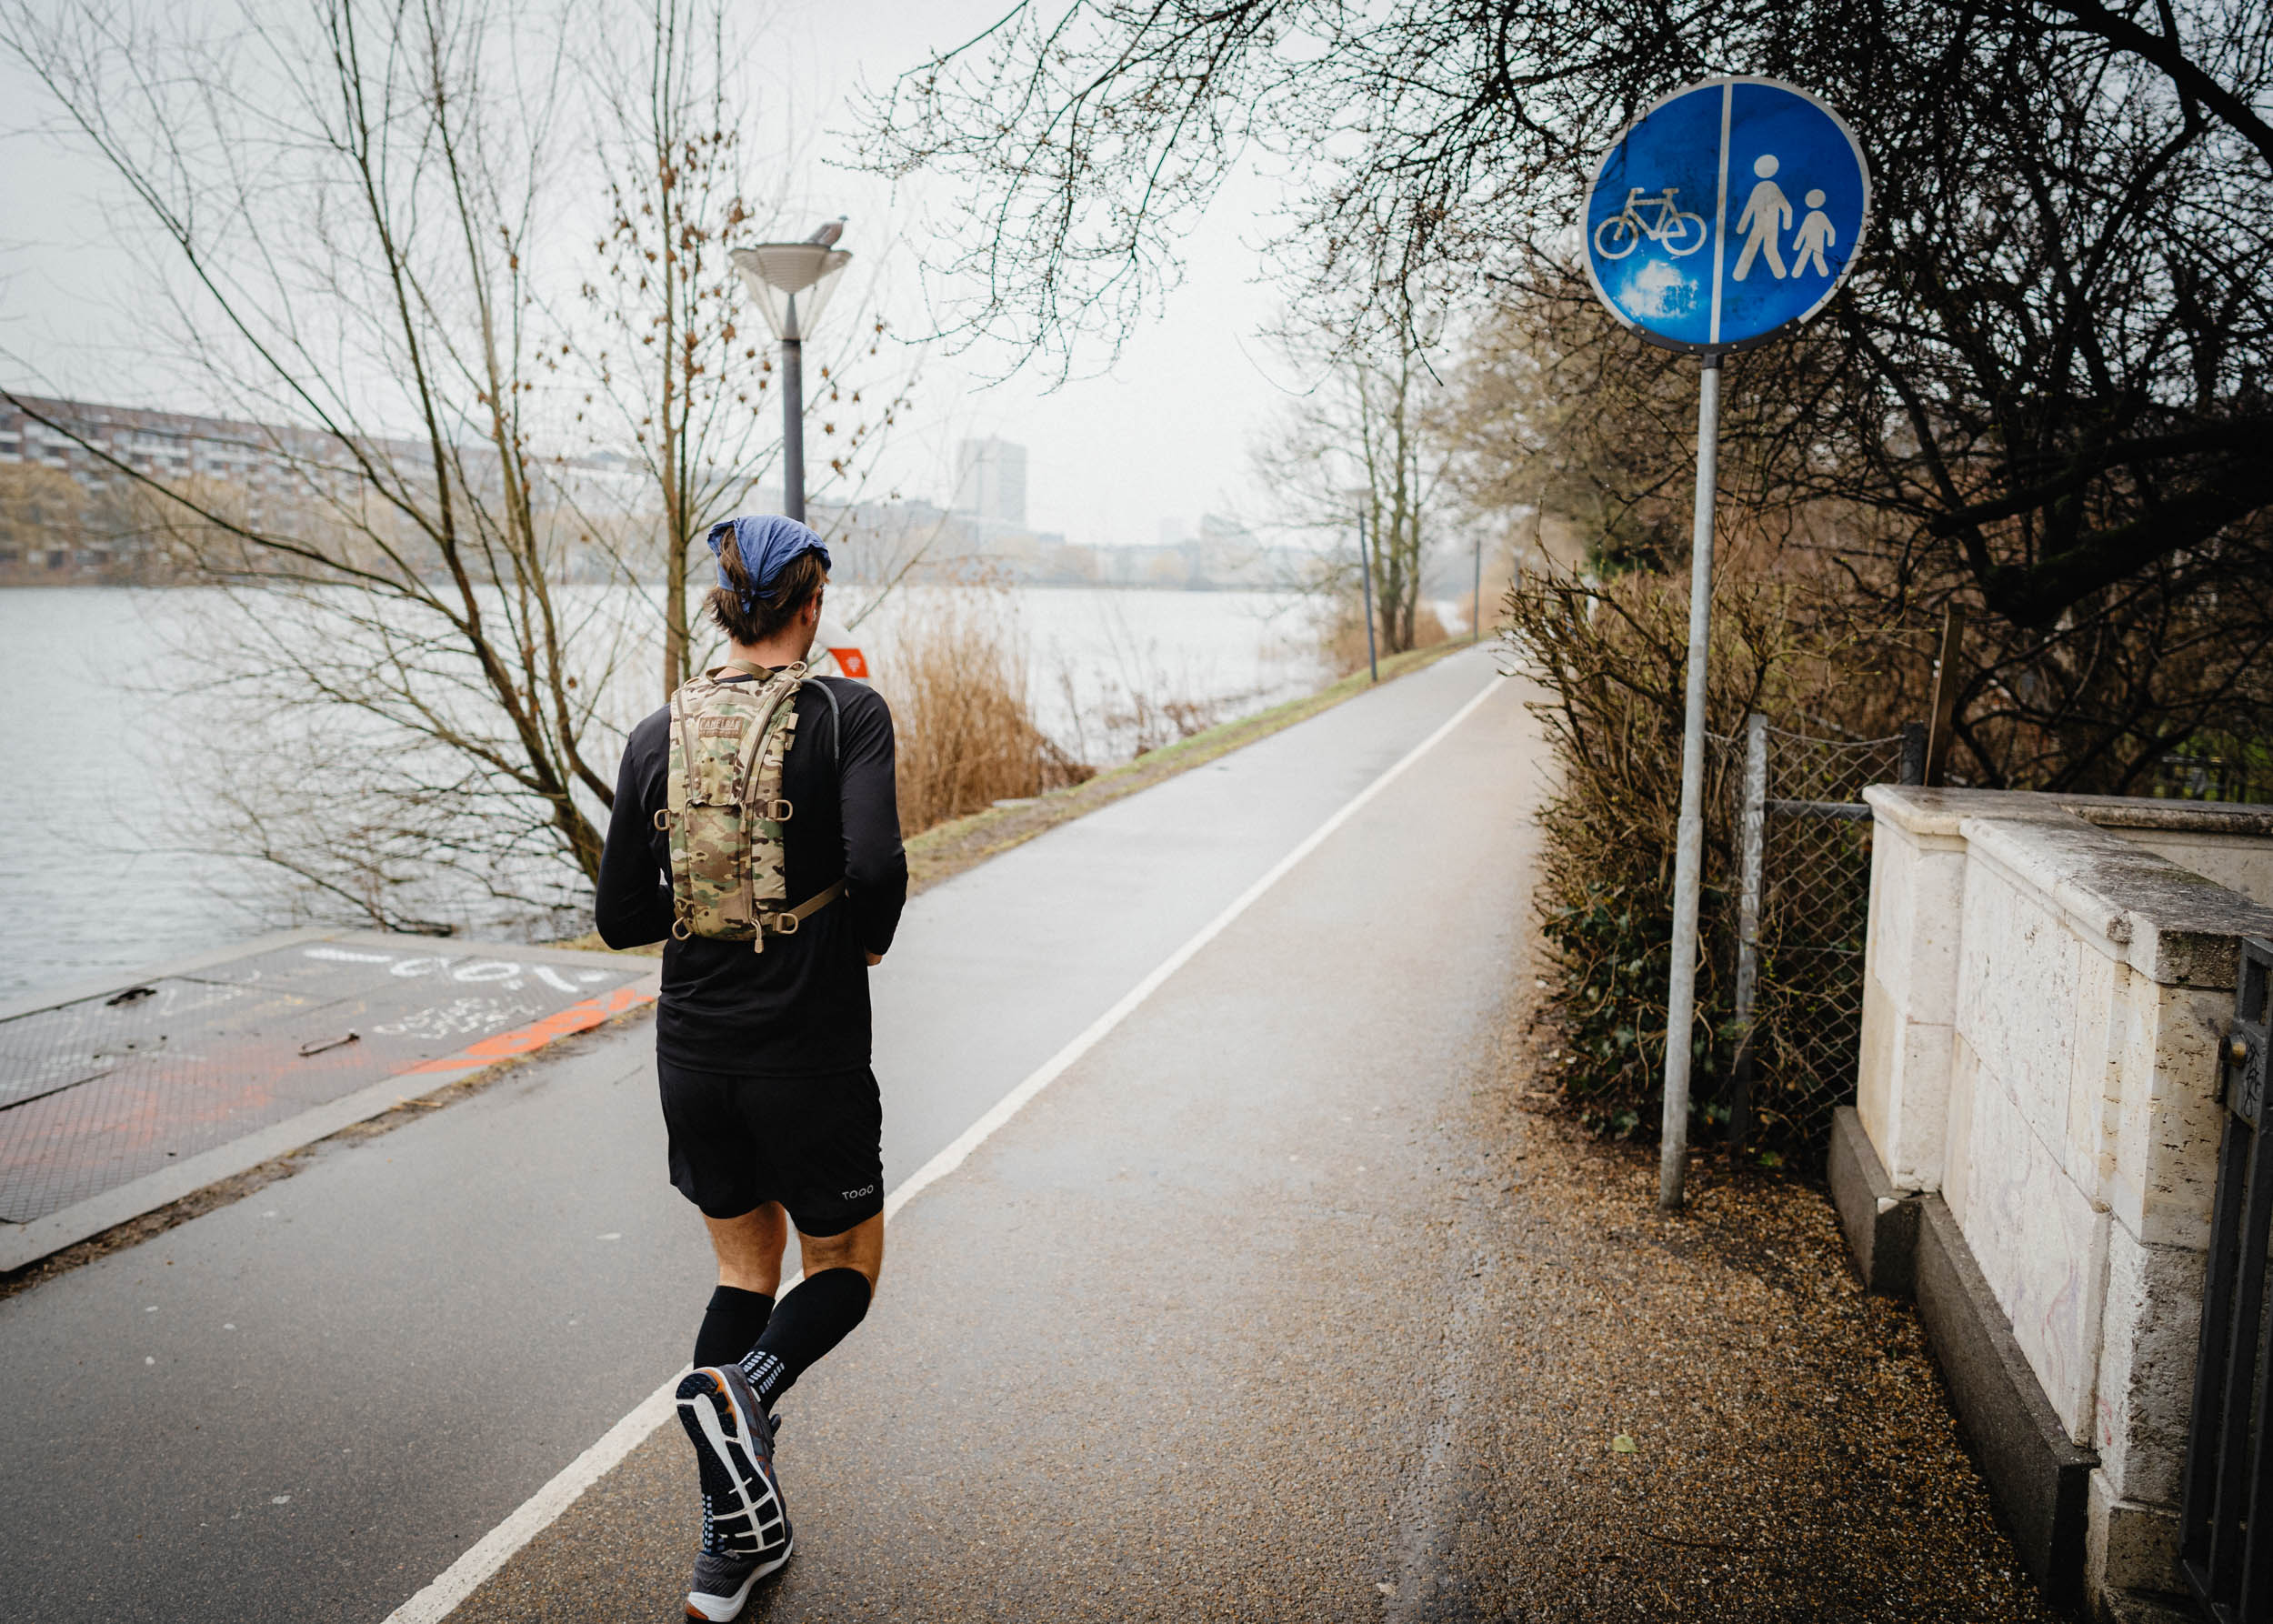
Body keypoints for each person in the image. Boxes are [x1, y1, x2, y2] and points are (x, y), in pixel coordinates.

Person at [595, 514, 906, 1622]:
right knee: (846, 1265)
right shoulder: (845, 711)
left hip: (694, 1053)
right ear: (811, 606)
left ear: (724, 608)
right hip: (808, 1052)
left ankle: (729, 1552)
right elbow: (873, 861)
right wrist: (865, 934)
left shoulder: (653, 731)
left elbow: (620, 916)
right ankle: (747, 1389)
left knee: (743, 1273)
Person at [1732, 152, 1792, 281]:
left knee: (1767, 248)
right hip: (1760, 224)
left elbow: (1786, 207)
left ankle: (1780, 274)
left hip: (1770, 225)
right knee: (1755, 247)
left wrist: (1787, 224)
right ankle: (1739, 274)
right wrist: (1742, 226)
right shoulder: (1761, 188)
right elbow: (1750, 207)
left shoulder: (1771, 188)